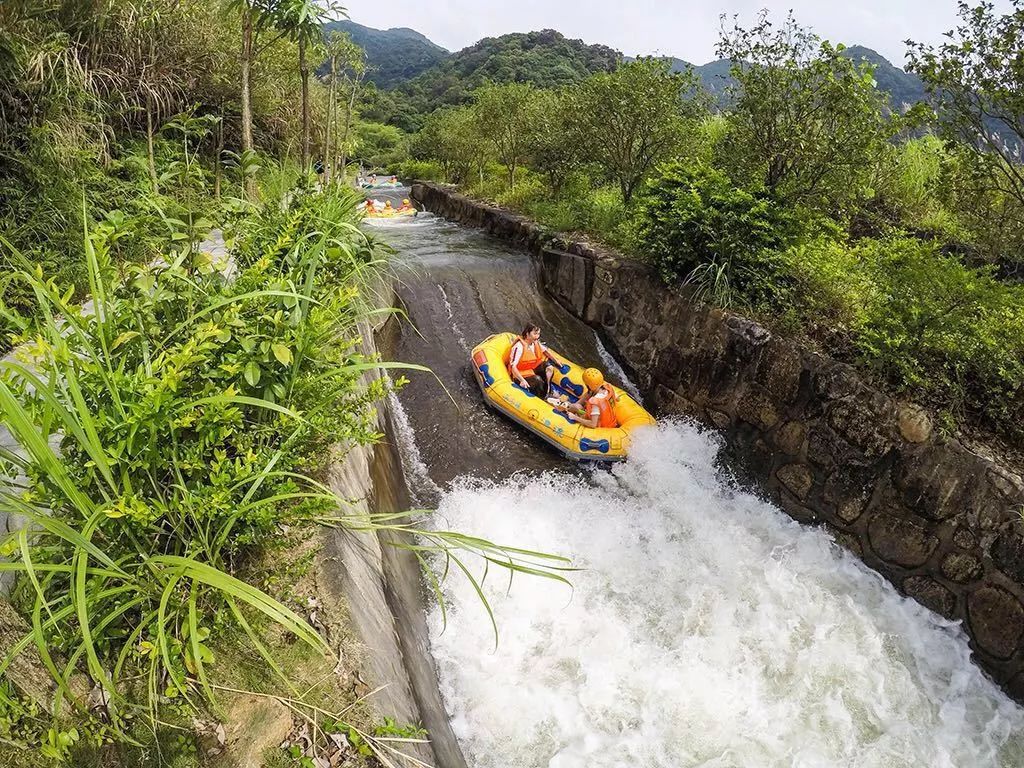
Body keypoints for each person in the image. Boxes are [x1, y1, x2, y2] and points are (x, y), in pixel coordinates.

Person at [508, 324, 558, 398]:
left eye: (538, 334)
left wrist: (557, 361)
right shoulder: (519, 347)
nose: (537, 336)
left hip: (531, 369)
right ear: (527, 334)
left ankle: (548, 391)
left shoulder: (535, 343)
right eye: (535, 334)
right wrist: (522, 380)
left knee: (549, 367)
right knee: (537, 380)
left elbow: (546, 352)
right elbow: (513, 367)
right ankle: (541, 398)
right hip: (519, 375)